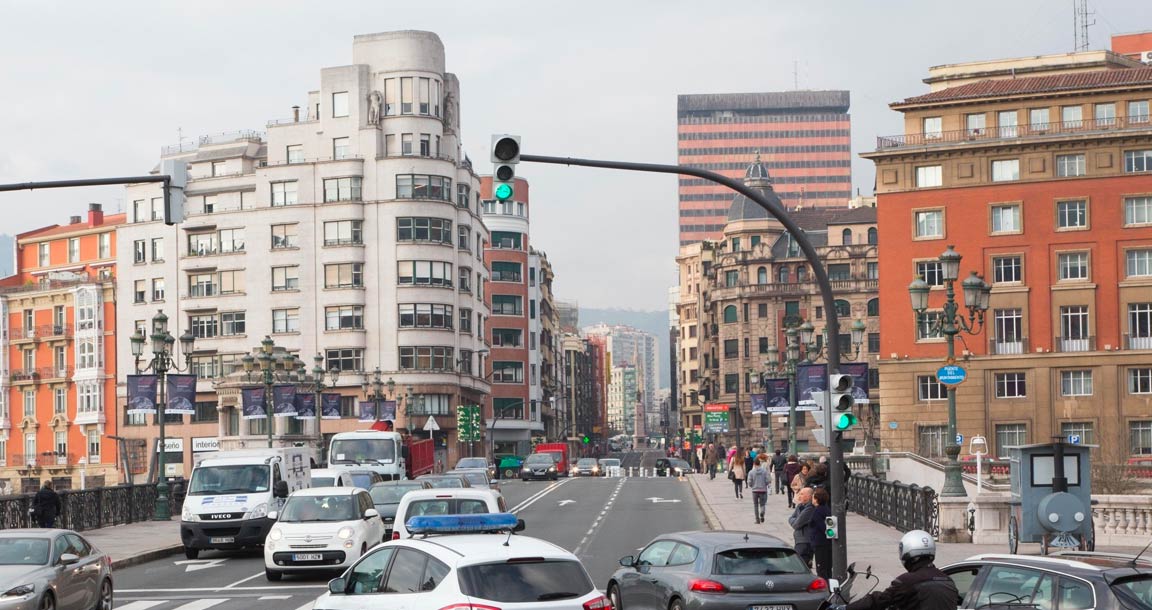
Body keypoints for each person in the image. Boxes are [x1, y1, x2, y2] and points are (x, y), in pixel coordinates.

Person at [829, 530, 960, 610]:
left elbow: (878, 600)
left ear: (907, 553)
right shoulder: (948, 580)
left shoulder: (908, 581)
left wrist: (846, 608)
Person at [808, 487, 833, 579]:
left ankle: (826, 588)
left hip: (820, 543)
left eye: (813, 497)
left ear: (817, 499)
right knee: (828, 568)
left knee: (821, 569)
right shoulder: (826, 508)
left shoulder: (817, 511)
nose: (812, 499)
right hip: (827, 542)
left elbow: (822, 527)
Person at [788, 487, 815, 566]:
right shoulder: (800, 506)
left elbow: (796, 524)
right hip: (799, 539)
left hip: (805, 541)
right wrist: (795, 520)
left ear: (809, 496)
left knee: (798, 564)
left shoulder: (810, 508)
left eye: (802, 494)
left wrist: (795, 520)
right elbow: (791, 518)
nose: (799, 496)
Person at [748, 455, 770, 523]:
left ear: (754, 464)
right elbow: (767, 480)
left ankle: (757, 519)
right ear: (760, 463)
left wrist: (752, 485)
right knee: (762, 504)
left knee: (755, 505)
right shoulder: (764, 471)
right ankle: (762, 512)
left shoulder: (751, 472)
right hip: (763, 489)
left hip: (755, 490)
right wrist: (764, 484)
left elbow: (749, 481)